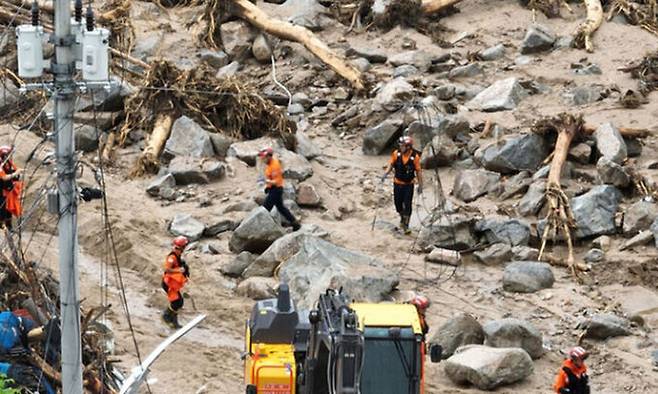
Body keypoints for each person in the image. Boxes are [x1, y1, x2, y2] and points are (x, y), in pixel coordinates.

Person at [381, 136, 423, 234]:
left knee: (407, 205)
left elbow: (418, 171)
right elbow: (391, 165)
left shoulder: (415, 157)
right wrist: (385, 174)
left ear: (408, 147)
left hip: (409, 185)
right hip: (397, 183)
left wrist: (420, 185)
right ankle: (402, 218)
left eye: (403, 146)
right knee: (398, 204)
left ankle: (406, 225)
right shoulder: (396, 154)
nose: (401, 147)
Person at [258, 147, 301, 231]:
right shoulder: (270, 165)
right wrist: (267, 187)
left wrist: (266, 181)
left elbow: (276, 181)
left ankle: (260, 227)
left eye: (264, 157)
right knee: (281, 208)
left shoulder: (275, 166)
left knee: (265, 208)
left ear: (269, 157)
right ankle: (295, 223)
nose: (263, 159)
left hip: (276, 189)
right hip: (273, 189)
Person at [161, 236, 190, 329]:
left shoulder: (178, 256)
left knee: (178, 302)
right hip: (168, 283)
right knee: (177, 302)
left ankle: (170, 319)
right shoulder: (172, 257)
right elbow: (167, 269)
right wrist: (179, 270)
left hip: (172, 284)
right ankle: (168, 317)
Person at [0, 146, 22, 230]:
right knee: (2, 208)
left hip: (8, 190)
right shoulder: (0, 164)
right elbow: (4, 177)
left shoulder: (8, 163)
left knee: (9, 209)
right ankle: (2, 225)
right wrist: (15, 173)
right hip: (2, 190)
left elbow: (10, 171)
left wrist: (16, 174)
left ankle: (9, 226)